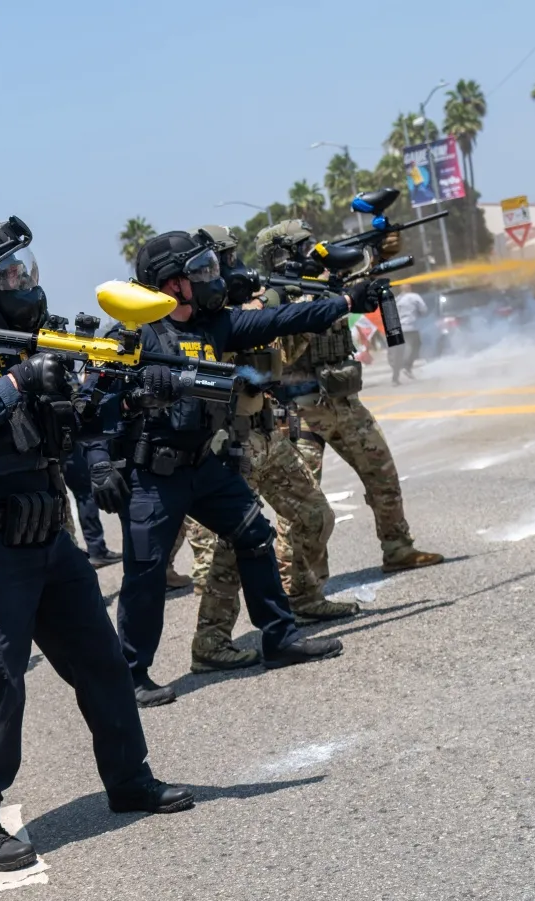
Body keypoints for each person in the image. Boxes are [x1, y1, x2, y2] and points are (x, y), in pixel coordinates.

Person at [0, 216, 190, 870]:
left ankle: (129, 778)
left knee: (102, 660)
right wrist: (18, 381)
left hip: (48, 536)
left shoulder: (37, 336)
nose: (22, 282)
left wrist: (136, 393)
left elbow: (85, 413)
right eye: (7, 272)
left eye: (20, 270)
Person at [85, 230, 349, 706]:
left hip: (206, 467)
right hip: (154, 477)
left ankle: (278, 637)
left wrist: (343, 300)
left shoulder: (213, 326)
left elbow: (279, 319)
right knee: (145, 574)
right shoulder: (133, 335)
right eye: (199, 271)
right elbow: (91, 404)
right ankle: (130, 674)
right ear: (170, 284)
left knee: (255, 537)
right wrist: (100, 464)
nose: (212, 277)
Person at [253, 221, 445, 577]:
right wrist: (315, 303)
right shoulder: (273, 298)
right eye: (302, 248)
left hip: (343, 401)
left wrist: (382, 246)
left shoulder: (326, 281)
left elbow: (364, 269)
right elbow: (284, 354)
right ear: (281, 256)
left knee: (382, 475)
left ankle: (397, 546)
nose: (313, 253)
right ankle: (300, 583)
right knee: (301, 505)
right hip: (299, 411)